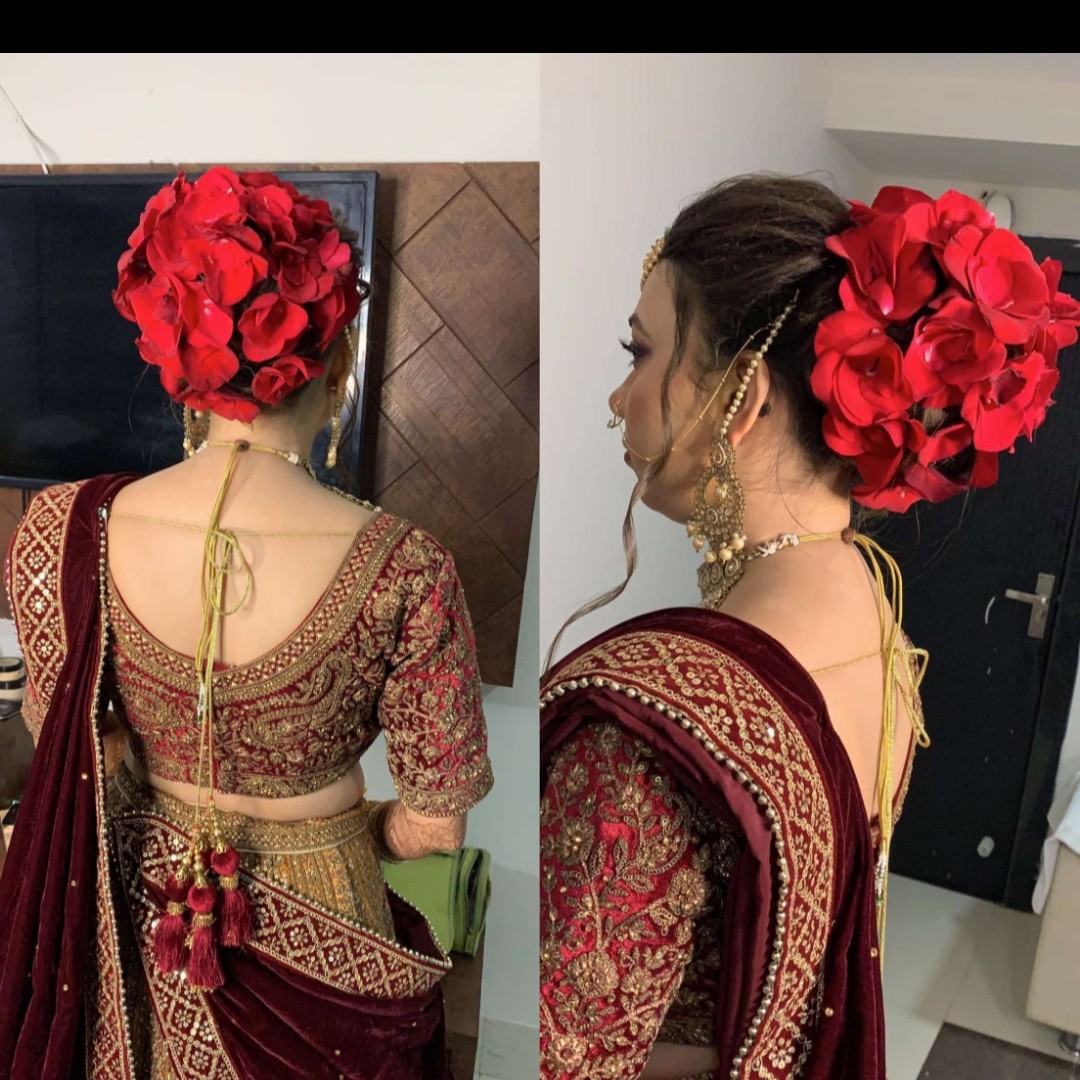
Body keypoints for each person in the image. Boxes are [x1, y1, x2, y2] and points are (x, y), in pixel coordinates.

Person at [539, 175, 1080, 1080]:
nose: (618, 397)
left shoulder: (651, 723)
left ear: (745, 399)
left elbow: (568, 1056)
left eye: (641, 352)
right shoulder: (873, 601)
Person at [0, 166, 494, 1080]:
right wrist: (340, 832)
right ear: (337, 370)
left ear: (176, 366)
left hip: (140, 912)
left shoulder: (63, 529)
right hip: (328, 925)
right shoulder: (407, 566)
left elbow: (68, 742)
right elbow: (436, 829)